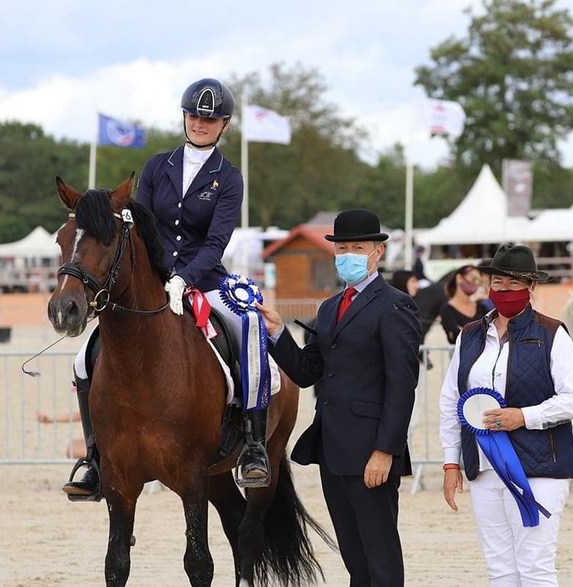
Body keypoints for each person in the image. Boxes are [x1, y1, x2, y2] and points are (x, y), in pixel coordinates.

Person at [63, 77, 277, 499]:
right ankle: (94, 458)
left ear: (224, 125)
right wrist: (156, 274)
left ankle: (253, 444)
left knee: (249, 324)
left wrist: (186, 278)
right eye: (195, 115)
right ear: (185, 117)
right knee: (81, 359)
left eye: (210, 118)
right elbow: (143, 225)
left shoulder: (229, 179)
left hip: (205, 278)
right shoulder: (159, 165)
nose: (200, 123)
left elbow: (216, 242)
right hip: (155, 278)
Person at [256, 209, 422, 586]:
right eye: (342, 247)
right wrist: (278, 331)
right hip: (332, 451)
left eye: (357, 247)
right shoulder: (328, 308)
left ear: (377, 251)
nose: (348, 254)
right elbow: (307, 370)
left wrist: (386, 450)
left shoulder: (395, 304)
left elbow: (402, 384)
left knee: (380, 556)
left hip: (372, 452)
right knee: (353, 554)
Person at [439, 243, 573, 587]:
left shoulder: (552, 334)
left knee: (535, 567)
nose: (503, 291)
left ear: (531, 286)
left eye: (513, 283)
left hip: (539, 468)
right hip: (483, 467)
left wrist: (524, 416)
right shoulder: (469, 335)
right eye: (497, 283)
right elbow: (451, 401)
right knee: (500, 569)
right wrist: (451, 463)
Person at [438, 264, 489, 344]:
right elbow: (455, 335)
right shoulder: (447, 309)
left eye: (479, 281)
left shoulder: (482, 308)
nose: (475, 283)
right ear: (459, 278)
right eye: (473, 278)